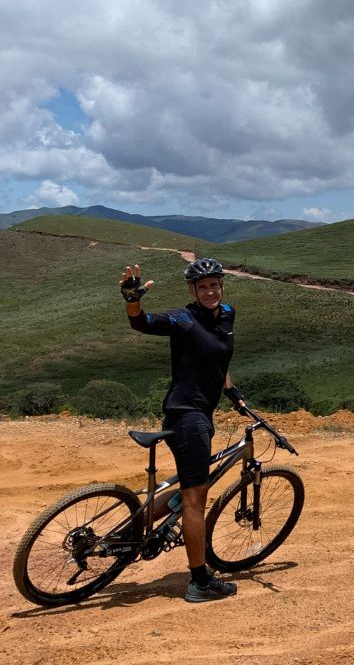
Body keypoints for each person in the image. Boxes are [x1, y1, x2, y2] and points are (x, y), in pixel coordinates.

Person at [119, 257, 246, 603]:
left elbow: (219, 360)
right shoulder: (183, 319)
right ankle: (199, 581)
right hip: (186, 416)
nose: (210, 290)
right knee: (194, 500)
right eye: (203, 286)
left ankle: (125, 534)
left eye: (215, 284)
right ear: (192, 290)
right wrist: (133, 300)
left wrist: (233, 394)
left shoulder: (228, 314)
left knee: (184, 490)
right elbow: (143, 323)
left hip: (200, 416)